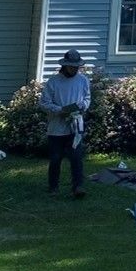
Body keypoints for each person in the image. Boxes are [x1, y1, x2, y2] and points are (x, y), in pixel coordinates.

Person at [40, 48, 90, 198]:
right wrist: (59, 110)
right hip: (57, 126)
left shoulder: (83, 80)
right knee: (55, 158)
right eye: (71, 67)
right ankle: (53, 186)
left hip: (75, 125)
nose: (74, 69)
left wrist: (82, 106)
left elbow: (87, 99)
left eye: (76, 67)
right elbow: (44, 103)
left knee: (76, 157)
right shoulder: (54, 82)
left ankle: (77, 186)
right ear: (65, 66)